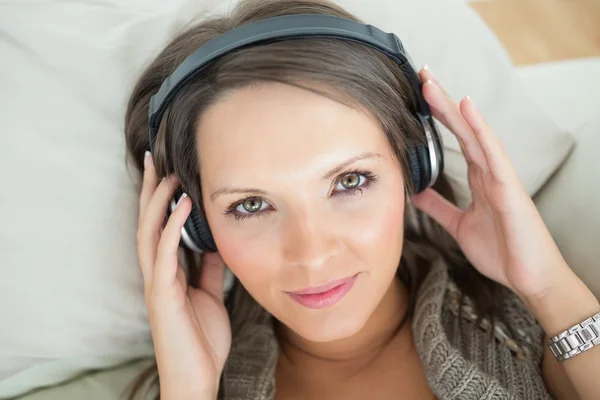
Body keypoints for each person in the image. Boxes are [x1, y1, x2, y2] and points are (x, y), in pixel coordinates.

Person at [124, 0, 600, 399]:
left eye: (349, 181)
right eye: (250, 205)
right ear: (194, 225)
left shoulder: (527, 331)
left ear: (414, 165)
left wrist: (549, 288)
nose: (312, 254)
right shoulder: (193, 380)